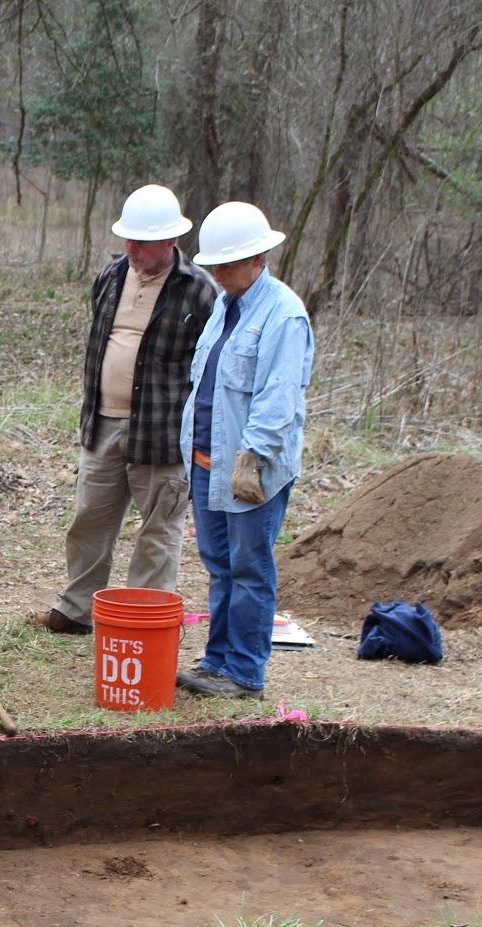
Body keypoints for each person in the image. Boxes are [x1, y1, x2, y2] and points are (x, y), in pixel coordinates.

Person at [30, 184, 214, 636]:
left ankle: (140, 621)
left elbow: (210, 366)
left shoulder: (200, 291)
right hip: (104, 423)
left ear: (170, 241)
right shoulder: (111, 276)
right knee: (89, 518)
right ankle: (75, 610)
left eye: (142, 241)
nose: (131, 248)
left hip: (163, 431)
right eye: (127, 239)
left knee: (158, 532)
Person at [176, 202, 314, 700]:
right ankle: (216, 661)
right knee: (219, 566)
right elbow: (204, 387)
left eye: (226, 265)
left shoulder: (283, 315)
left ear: (259, 259)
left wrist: (254, 457)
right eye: (212, 265)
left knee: (250, 569)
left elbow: (279, 396)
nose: (216, 274)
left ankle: (245, 673)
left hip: (249, 468)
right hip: (208, 463)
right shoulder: (223, 306)